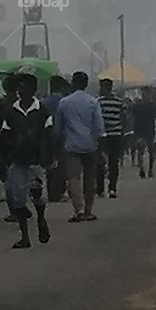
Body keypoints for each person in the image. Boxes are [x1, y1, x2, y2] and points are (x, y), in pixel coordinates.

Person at [0, 72, 52, 249]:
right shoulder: (10, 112)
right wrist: (6, 159)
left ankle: (41, 220)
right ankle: (25, 236)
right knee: (18, 200)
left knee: (38, 196)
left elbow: (49, 136)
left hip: (36, 160)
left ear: (33, 89)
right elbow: (4, 137)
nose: (21, 91)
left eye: (25, 87)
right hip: (17, 160)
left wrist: (47, 158)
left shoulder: (43, 111)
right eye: (19, 88)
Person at [55, 70, 104, 222]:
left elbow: (58, 127)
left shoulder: (64, 102)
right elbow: (99, 127)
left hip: (71, 145)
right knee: (90, 177)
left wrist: (57, 144)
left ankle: (79, 209)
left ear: (73, 83)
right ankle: (89, 209)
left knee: (73, 178)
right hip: (90, 144)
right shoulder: (92, 102)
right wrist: (99, 145)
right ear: (86, 84)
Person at [0, 72, 20, 222]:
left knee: (8, 179)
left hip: (5, 145)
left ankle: (14, 211)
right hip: (22, 145)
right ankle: (21, 206)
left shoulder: (0, 105)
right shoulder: (24, 102)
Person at [96, 78, 125, 199]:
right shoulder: (119, 102)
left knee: (101, 162)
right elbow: (123, 117)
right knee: (112, 162)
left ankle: (102, 189)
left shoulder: (97, 102)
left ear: (104, 88)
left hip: (104, 136)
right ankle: (111, 188)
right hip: (115, 135)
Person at [44, 76, 70, 203]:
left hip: (47, 137)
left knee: (50, 164)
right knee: (62, 165)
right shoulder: (64, 102)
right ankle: (59, 192)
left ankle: (51, 193)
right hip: (62, 137)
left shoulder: (44, 102)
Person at [131, 88, 156, 179]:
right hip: (143, 130)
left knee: (145, 151)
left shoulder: (139, 105)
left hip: (144, 130)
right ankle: (144, 169)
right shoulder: (151, 105)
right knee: (144, 151)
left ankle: (146, 169)